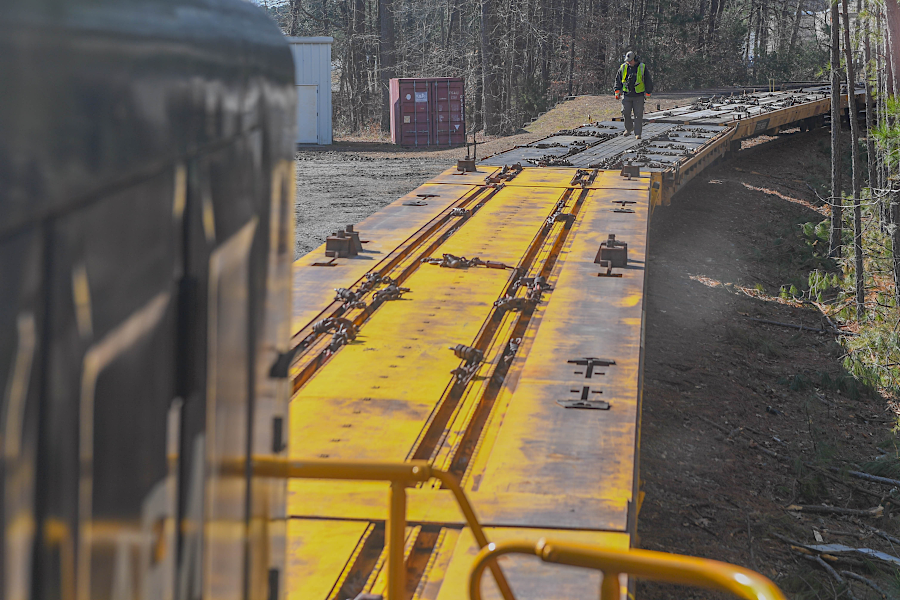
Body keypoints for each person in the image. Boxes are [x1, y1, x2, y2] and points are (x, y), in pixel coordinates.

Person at [614, 51, 654, 139]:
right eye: (627, 61)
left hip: (638, 95)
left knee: (638, 114)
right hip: (627, 95)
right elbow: (618, 79)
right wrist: (617, 91)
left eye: (630, 61)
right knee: (625, 112)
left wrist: (648, 92)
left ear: (635, 59)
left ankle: (637, 133)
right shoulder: (623, 67)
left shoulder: (642, 67)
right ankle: (628, 128)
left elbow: (647, 80)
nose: (629, 62)